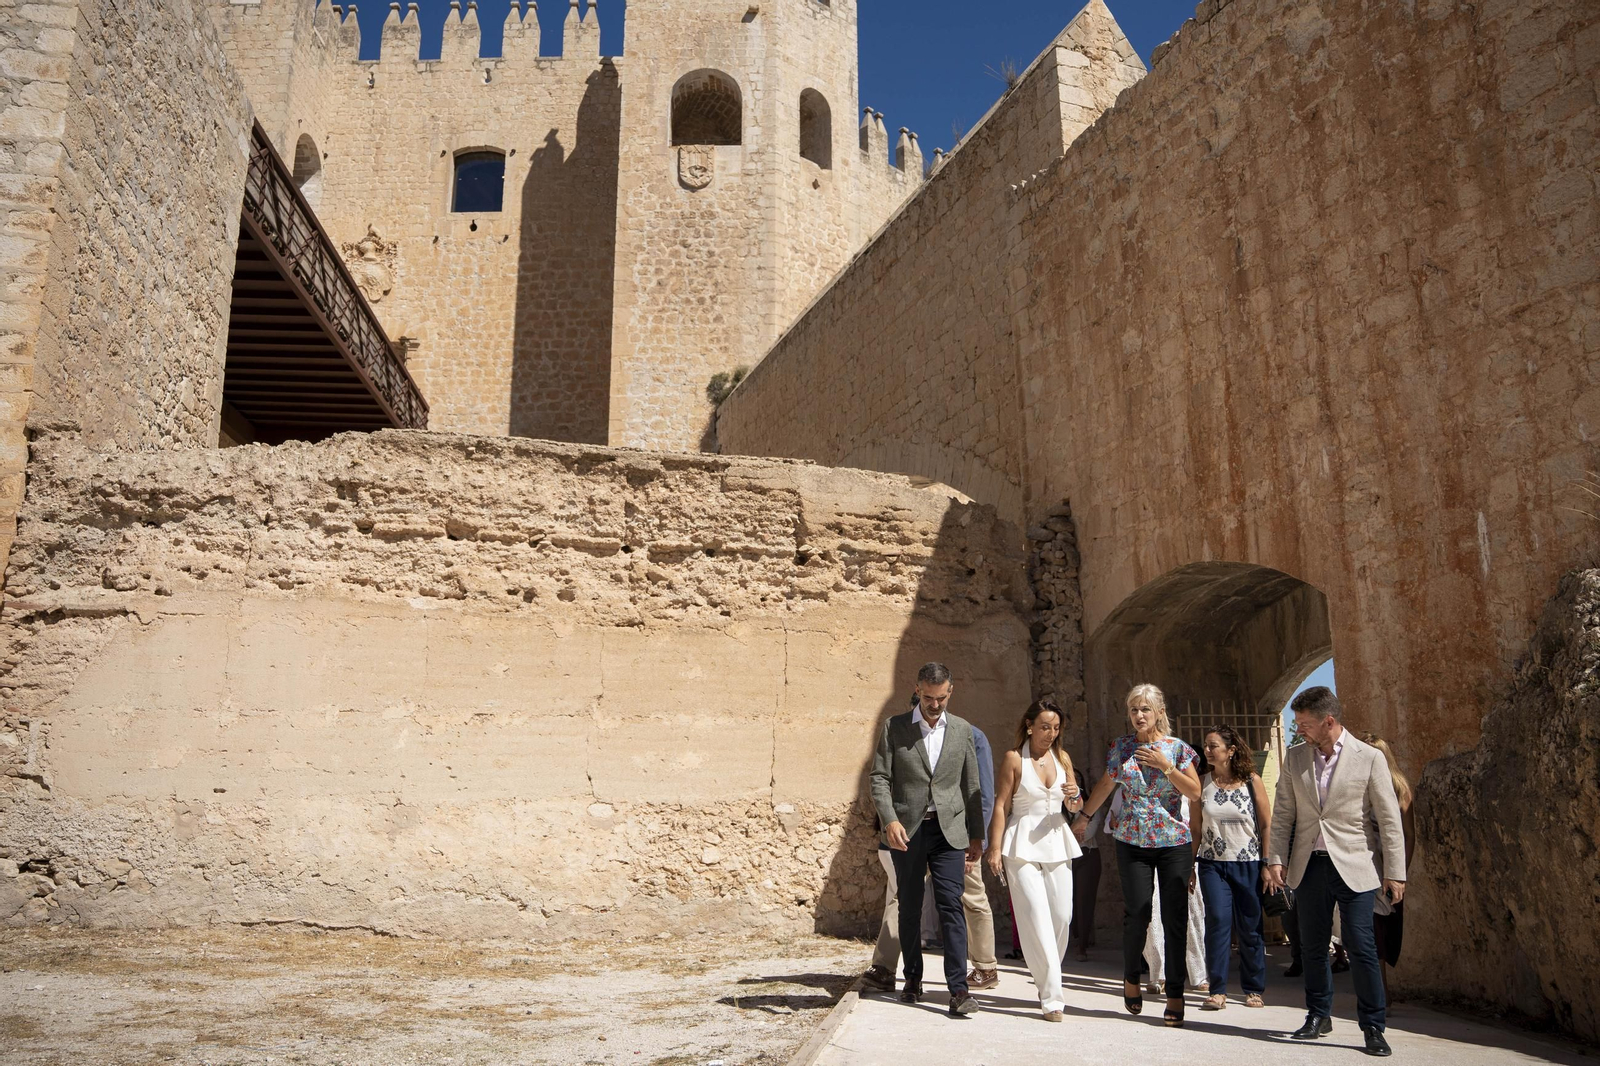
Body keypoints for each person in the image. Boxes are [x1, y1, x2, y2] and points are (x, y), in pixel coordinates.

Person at [1264, 686, 1406, 1058]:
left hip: (1356, 865)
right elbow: (1282, 815)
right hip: (1309, 865)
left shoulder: (1369, 757)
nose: (1301, 731)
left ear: (1329, 721)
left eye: (1306, 724)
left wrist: (1396, 872)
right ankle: (1317, 1015)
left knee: (1361, 947)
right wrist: (1275, 858)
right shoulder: (1295, 758)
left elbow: (1390, 820)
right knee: (1311, 946)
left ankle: (1373, 1026)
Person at [1080, 683, 1202, 1028]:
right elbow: (1107, 783)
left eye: (1145, 709)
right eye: (1134, 710)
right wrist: (1085, 817)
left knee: (1175, 917)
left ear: (1159, 712)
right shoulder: (1122, 747)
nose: (1139, 716)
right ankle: (1131, 975)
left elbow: (1194, 792)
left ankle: (1175, 992)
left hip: (1172, 842)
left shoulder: (1176, 749)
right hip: (1132, 840)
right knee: (1138, 913)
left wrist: (1167, 766)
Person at [869, 662, 986, 1017]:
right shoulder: (895, 728)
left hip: (949, 831)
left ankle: (958, 989)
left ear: (951, 692)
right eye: (929, 697)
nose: (935, 705)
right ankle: (912, 978)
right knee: (910, 906)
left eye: (942, 698)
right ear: (918, 689)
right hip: (908, 831)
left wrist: (977, 835)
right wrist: (889, 820)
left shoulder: (963, 730)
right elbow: (879, 779)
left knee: (951, 904)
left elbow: (971, 785)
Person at [985, 699, 1083, 1021]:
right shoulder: (1014, 759)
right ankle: (1052, 996)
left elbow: (1073, 807)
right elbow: (1001, 805)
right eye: (1045, 727)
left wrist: (1075, 797)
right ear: (1029, 725)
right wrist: (995, 848)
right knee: (1037, 916)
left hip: (1057, 840)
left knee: (1062, 916)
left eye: (1056, 728)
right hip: (1021, 843)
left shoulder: (1063, 758)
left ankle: (1045, 976)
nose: (1051, 734)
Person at [1191, 725, 1270, 1010]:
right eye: (1206, 746)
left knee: (1250, 926)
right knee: (1218, 923)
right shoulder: (1201, 783)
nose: (1207, 750)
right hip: (1213, 864)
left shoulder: (1252, 781)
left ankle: (1253, 988)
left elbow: (1266, 823)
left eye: (1213, 746)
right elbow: (1196, 829)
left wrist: (1268, 863)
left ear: (1231, 750)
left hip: (1248, 862)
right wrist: (1190, 866)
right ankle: (1218, 989)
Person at [1361, 732, 1415, 996]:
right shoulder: (1357, 785)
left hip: (1389, 865)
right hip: (1365, 865)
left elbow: (1408, 834)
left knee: (1387, 928)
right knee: (1372, 929)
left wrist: (1400, 871)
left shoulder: (1399, 788)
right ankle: (1379, 991)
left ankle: (1380, 989)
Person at [1068, 769, 1104, 962]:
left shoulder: (1092, 805)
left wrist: (1068, 832)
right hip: (1067, 856)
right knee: (1067, 900)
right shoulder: (1060, 806)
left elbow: (1088, 833)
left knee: (1084, 901)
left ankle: (1082, 944)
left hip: (1086, 854)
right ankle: (1072, 939)